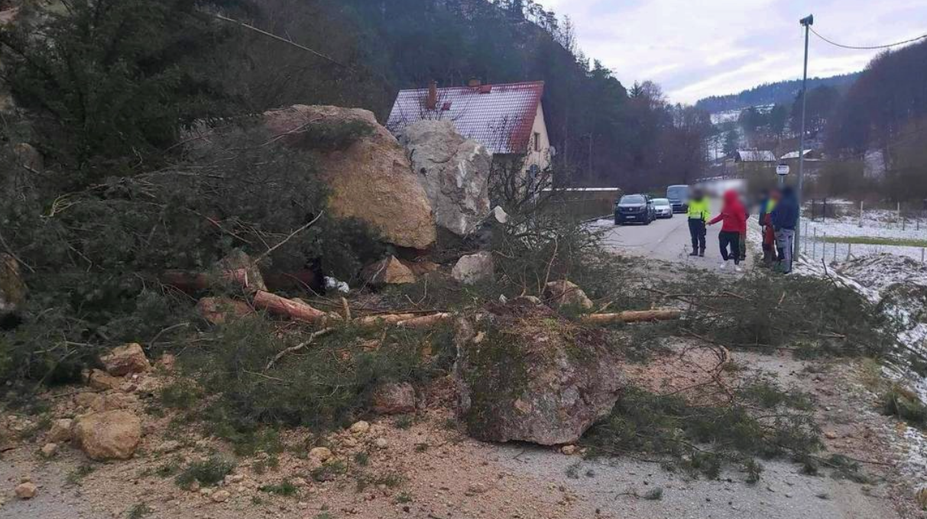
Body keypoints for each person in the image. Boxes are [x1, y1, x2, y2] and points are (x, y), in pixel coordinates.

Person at [708, 189, 747, 271]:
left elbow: (742, 221)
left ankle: (736, 264)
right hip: (724, 231)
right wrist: (711, 222)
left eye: (726, 197)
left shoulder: (738, 207)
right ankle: (725, 260)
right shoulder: (725, 206)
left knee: (735, 249)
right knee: (722, 246)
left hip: (735, 232)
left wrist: (743, 233)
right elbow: (721, 216)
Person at [771, 186, 799, 274]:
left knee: (783, 249)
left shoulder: (783, 203)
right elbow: (797, 216)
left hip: (783, 228)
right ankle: (788, 267)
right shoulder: (795, 202)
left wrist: (777, 228)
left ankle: (785, 269)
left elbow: (780, 217)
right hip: (791, 228)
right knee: (788, 248)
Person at [757, 189, 779, 266]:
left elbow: (767, 215)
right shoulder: (771, 202)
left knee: (767, 243)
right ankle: (773, 258)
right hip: (771, 225)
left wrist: (764, 224)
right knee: (770, 243)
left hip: (769, 226)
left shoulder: (769, 203)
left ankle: (768, 261)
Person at [686, 189, 710, 257]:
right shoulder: (691, 200)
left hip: (700, 221)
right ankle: (695, 250)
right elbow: (688, 209)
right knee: (693, 237)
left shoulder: (704, 200)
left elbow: (707, 211)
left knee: (701, 236)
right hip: (692, 220)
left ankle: (702, 251)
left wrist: (704, 220)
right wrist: (688, 216)